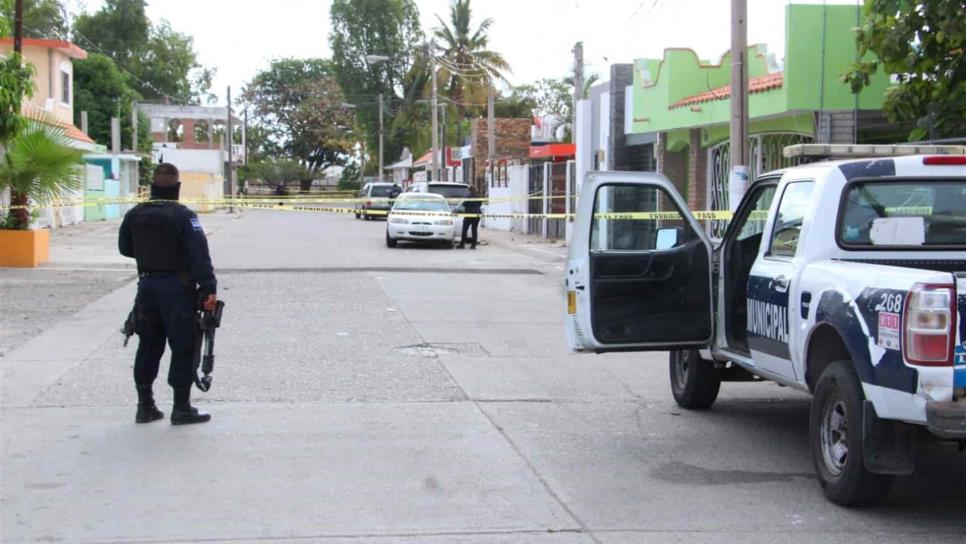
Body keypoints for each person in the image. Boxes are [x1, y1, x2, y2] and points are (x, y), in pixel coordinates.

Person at [119, 163, 218, 425]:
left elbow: (124, 248)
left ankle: (145, 406)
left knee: (148, 345)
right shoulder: (185, 216)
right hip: (177, 290)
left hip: (147, 288)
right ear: (177, 188)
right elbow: (199, 256)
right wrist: (208, 288)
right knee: (183, 346)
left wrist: (150, 256)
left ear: (152, 186)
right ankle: (181, 408)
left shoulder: (135, 214)